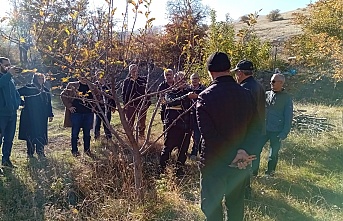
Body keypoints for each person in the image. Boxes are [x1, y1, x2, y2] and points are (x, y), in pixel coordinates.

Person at [196, 52, 256, 221]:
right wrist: (244, 153)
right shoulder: (246, 94)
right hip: (240, 163)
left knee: (212, 207)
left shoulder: (205, 97)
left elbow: (209, 135)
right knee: (236, 206)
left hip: (215, 163)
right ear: (229, 69)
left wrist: (233, 155)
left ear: (210, 71)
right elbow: (255, 128)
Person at [232, 60, 266, 198]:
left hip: (248, 132)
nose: (235, 76)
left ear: (240, 73)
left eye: (236, 73)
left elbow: (243, 115)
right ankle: (246, 191)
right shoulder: (259, 85)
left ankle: (244, 193)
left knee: (242, 163)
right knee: (247, 163)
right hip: (258, 131)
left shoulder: (245, 88)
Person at [159, 71, 198, 176]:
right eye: (180, 79)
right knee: (167, 149)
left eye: (184, 80)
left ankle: (179, 171)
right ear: (175, 80)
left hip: (186, 127)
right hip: (173, 126)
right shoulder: (170, 92)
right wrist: (186, 97)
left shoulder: (190, 91)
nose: (182, 82)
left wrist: (193, 126)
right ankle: (161, 171)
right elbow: (171, 101)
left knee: (183, 151)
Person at [257, 73, 293, 176]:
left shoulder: (286, 98)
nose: (271, 83)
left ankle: (270, 174)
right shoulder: (267, 94)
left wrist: (284, 132)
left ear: (281, 83)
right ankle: (253, 172)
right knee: (256, 150)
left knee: (273, 154)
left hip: (277, 131)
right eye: (271, 81)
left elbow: (288, 116)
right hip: (264, 129)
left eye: (273, 81)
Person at [61, 76, 99, 157]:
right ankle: (74, 151)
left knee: (87, 133)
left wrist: (93, 106)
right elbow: (63, 95)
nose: (84, 79)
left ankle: (87, 150)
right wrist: (69, 106)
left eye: (85, 77)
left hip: (88, 113)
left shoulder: (92, 86)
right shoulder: (72, 85)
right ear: (79, 77)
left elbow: (98, 96)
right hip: (76, 113)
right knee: (75, 133)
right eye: (82, 77)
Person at [18, 73, 54, 158]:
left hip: (42, 115)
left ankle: (40, 151)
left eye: (42, 78)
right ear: (35, 79)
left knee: (41, 133)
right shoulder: (29, 87)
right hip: (29, 114)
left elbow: (48, 103)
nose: (41, 80)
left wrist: (50, 114)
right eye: (39, 78)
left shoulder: (45, 90)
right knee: (30, 133)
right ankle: (30, 152)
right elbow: (16, 93)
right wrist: (22, 103)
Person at [0, 57, 21, 169]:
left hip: (12, 114)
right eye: (6, 65)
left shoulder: (11, 79)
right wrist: (9, 75)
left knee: (9, 139)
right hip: (1, 115)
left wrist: (17, 103)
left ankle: (6, 160)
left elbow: (16, 93)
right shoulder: (6, 77)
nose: (9, 66)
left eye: (9, 64)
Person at [122, 64, 151, 137]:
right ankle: (131, 138)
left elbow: (148, 92)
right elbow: (124, 94)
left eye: (135, 69)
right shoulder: (126, 82)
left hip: (142, 105)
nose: (134, 71)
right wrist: (125, 104)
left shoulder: (143, 80)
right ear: (130, 71)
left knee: (142, 123)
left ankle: (141, 137)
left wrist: (147, 104)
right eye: (132, 70)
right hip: (130, 105)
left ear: (138, 70)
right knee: (130, 123)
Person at [189, 73, 206, 160]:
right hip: (188, 115)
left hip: (198, 114)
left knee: (197, 135)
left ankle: (194, 153)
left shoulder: (203, 89)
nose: (194, 80)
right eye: (193, 79)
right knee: (187, 134)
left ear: (199, 79)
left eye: (196, 78)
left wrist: (197, 96)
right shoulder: (188, 89)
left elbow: (206, 99)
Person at [94, 73, 116, 140]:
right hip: (98, 108)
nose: (101, 77)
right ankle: (97, 137)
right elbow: (92, 97)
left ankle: (108, 137)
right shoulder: (95, 86)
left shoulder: (108, 86)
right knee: (97, 123)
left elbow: (113, 97)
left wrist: (113, 106)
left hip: (107, 107)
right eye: (99, 76)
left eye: (102, 76)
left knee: (107, 123)